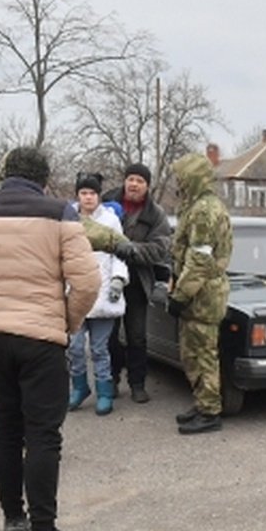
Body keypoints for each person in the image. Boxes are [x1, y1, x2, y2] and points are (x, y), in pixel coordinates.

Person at [0, 146, 100, 531]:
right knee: (43, 434)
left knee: (6, 428)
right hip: (41, 338)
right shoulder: (60, 214)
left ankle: (13, 519)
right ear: (44, 178)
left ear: (3, 174)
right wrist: (65, 321)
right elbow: (87, 282)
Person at [167, 152, 231, 434]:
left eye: (181, 178)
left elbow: (199, 260)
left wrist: (180, 296)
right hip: (199, 293)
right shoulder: (195, 206)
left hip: (202, 296)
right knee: (191, 352)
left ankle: (210, 411)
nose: (177, 184)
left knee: (203, 353)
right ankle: (202, 401)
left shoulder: (205, 211)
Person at [101, 163, 172, 403]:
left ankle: (138, 383)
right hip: (107, 280)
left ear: (147, 186)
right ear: (125, 181)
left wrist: (131, 250)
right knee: (108, 335)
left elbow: (160, 248)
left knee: (137, 336)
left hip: (138, 282)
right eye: (130, 179)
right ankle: (110, 380)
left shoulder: (155, 214)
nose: (134, 184)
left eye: (140, 181)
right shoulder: (106, 202)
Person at [67, 172, 131, 416]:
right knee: (74, 346)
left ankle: (104, 392)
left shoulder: (111, 220)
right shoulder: (68, 220)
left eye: (92, 193)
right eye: (84, 193)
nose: (88, 198)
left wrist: (118, 279)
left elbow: (119, 252)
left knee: (99, 348)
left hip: (103, 292)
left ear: (99, 196)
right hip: (75, 291)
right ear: (77, 195)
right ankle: (79, 387)